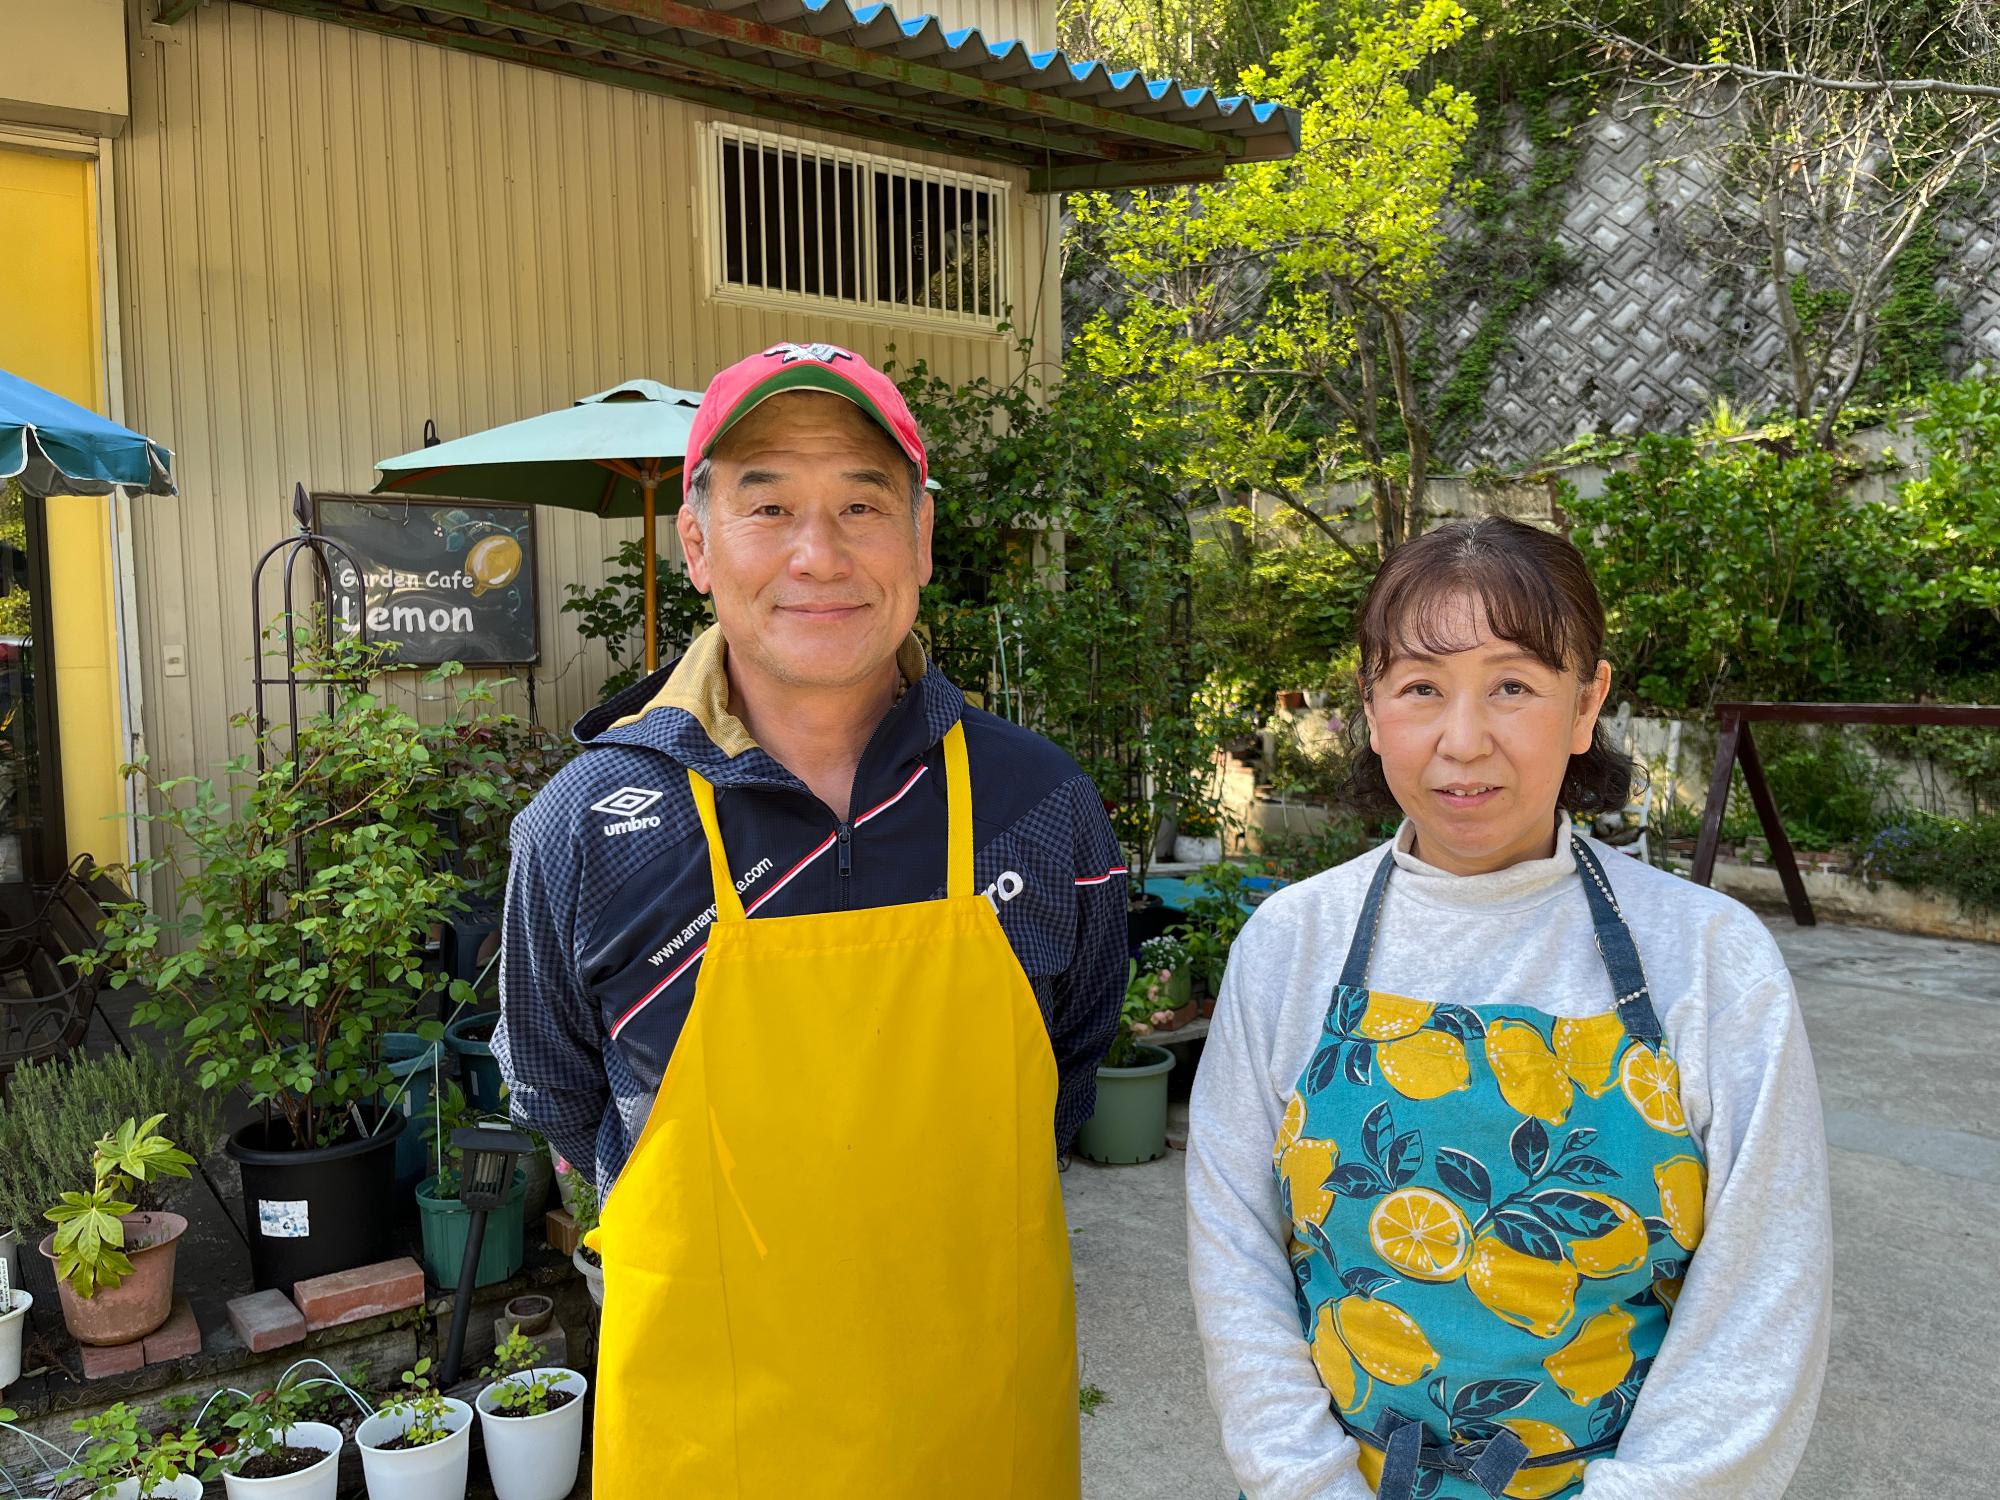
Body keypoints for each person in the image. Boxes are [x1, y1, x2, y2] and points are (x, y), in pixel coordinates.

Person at [493, 342, 1127, 1496]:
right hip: (713, 1430)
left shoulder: (1038, 808)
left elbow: (1069, 1064)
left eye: (860, 504)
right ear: (695, 545)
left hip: (981, 1421)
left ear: (922, 540)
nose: (817, 554)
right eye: (768, 504)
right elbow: (557, 1096)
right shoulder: (585, 828)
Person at [1187, 517, 1831, 1499]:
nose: (1462, 740)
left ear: (1586, 705)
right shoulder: (1290, 943)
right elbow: (1234, 1255)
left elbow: (1759, 1308)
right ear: (1369, 710)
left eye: (1512, 686)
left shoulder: (1704, 958)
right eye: (1419, 689)